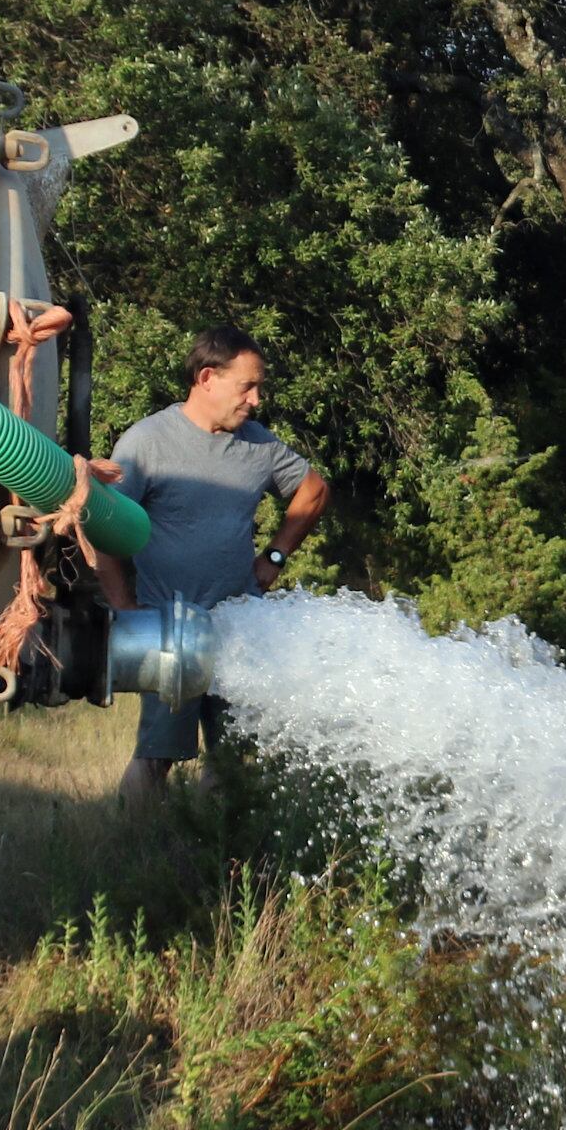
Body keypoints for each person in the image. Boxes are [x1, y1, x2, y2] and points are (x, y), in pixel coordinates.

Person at [98, 326, 331, 799]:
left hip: (239, 628)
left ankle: (221, 861)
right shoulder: (147, 442)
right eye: (247, 385)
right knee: (156, 757)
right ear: (207, 378)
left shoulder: (259, 445)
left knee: (232, 764)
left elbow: (315, 490)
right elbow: (104, 530)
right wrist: (125, 610)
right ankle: (126, 849)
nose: (256, 398)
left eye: (258, 386)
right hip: (171, 631)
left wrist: (274, 557)